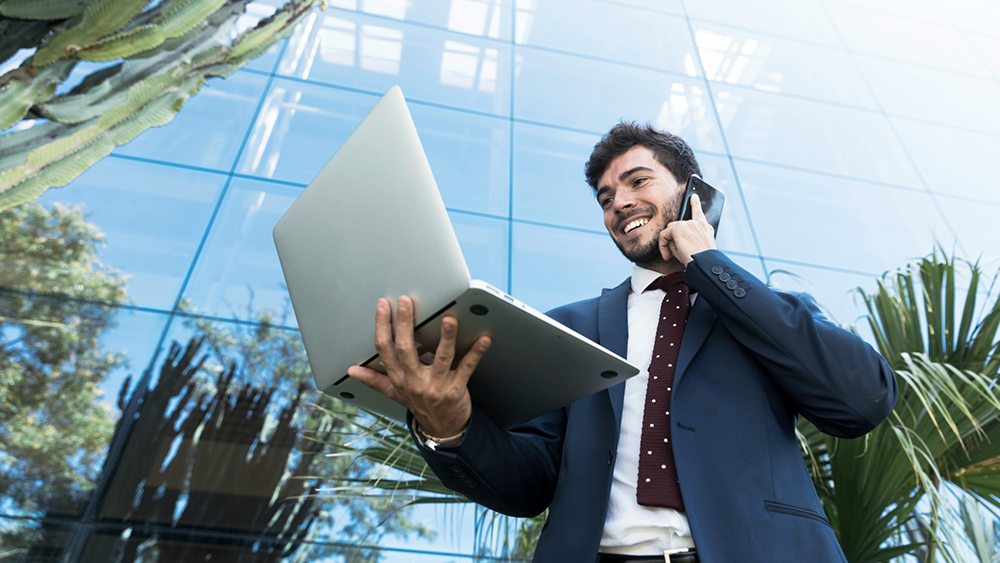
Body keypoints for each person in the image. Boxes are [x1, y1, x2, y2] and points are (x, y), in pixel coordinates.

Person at [348, 122, 897, 563]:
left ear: (692, 194)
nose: (619, 203)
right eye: (606, 197)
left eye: (638, 182)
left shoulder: (763, 312)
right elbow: (528, 484)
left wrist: (708, 265)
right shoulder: (569, 328)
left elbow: (861, 402)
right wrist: (450, 427)